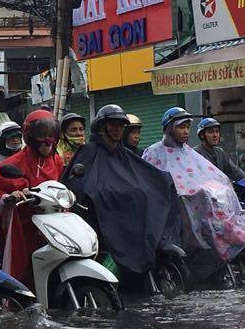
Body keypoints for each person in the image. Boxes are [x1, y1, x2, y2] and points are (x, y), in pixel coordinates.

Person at [60, 105, 182, 285]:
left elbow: (142, 175)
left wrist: (164, 182)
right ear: (103, 127)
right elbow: (79, 185)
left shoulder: (122, 153)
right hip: (101, 213)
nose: (117, 130)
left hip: (128, 209)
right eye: (113, 125)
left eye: (120, 125)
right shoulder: (89, 151)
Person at [143, 108, 245, 279]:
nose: (186, 131)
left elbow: (211, 177)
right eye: (182, 127)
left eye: (188, 127)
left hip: (195, 212)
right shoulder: (154, 152)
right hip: (168, 214)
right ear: (169, 128)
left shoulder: (192, 153)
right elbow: (149, 184)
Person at [0, 110, 63, 286]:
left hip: (52, 223)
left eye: (51, 134)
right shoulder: (15, 162)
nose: (47, 140)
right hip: (22, 225)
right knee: (22, 268)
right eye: (41, 135)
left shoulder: (57, 161)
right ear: (30, 136)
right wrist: (7, 197)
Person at [194, 117, 245, 182]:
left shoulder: (220, 152)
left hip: (221, 190)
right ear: (202, 135)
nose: (215, 135)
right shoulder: (196, 153)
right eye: (211, 132)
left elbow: (235, 172)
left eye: (217, 132)